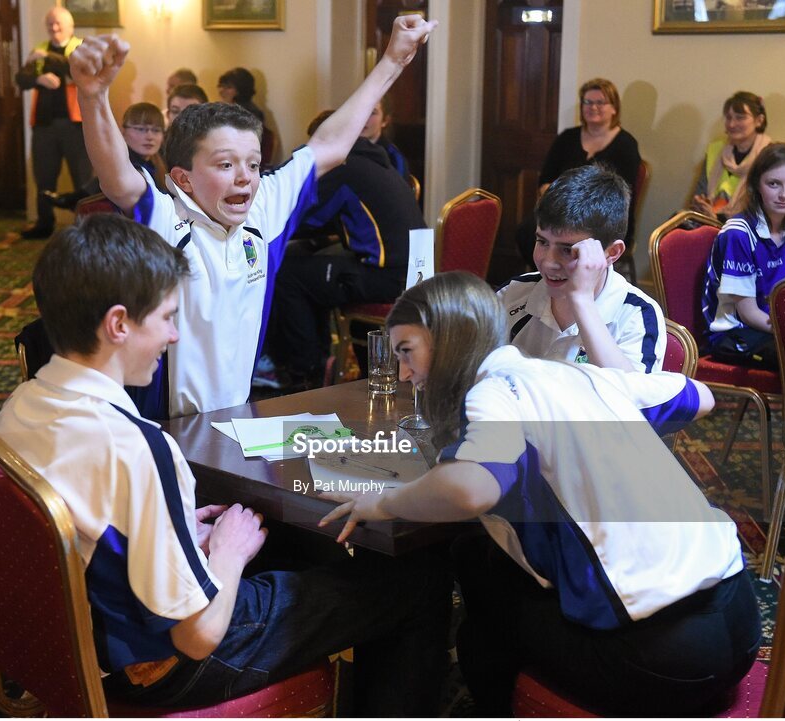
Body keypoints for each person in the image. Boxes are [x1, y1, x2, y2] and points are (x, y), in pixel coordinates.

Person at [0, 214, 451, 716]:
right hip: (162, 667)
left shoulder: (14, 410)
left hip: (74, 642)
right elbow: (199, 636)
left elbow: (84, 526)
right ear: (119, 324)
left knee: (301, 549)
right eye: (168, 317)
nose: (174, 336)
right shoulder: (139, 448)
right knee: (412, 582)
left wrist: (178, 531)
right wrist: (226, 555)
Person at [319, 271, 760, 717]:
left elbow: (472, 489)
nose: (403, 372)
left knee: (479, 586)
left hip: (664, 659)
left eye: (407, 352)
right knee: (502, 558)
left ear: (449, 342)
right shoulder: (579, 375)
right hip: (742, 621)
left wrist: (384, 501)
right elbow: (700, 396)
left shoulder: (493, 393)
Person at [70, 13, 438, 418]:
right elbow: (118, 177)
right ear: (183, 179)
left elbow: (329, 145)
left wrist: (393, 60)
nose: (245, 178)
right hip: (166, 423)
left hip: (235, 416)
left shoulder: (265, 209)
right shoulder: (165, 219)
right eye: (226, 165)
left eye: (253, 163)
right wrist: (93, 95)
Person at [262, 109, 426, 388]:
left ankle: (305, 369)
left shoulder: (344, 169)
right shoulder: (376, 160)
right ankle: (321, 357)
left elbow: (307, 216)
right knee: (306, 265)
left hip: (387, 277)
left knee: (288, 273)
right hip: (414, 270)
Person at [499, 165, 665, 372]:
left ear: (612, 253)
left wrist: (582, 300)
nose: (548, 262)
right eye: (542, 242)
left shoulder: (636, 315)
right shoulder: (512, 295)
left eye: (568, 250)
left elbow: (630, 396)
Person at [702, 142, 785, 369]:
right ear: (756, 185)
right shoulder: (739, 234)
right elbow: (748, 313)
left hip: (771, 326)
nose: (784, 194)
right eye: (773, 184)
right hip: (734, 334)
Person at [515, 78, 641, 268]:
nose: (593, 107)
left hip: (602, 218)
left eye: (600, 102)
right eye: (587, 102)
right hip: (560, 212)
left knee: (574, 239)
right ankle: (547, 277)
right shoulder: (567, 138)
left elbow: (621, 195)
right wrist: (556, 201)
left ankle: (573, 283)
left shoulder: (626, 145)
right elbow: (546, 180)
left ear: (614, 108)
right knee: (527, 230)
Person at [14, 5, 92, 239]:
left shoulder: (80, 46)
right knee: (44, 176)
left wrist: (47, 58)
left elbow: (75, 68)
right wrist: (39, 78)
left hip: (75, 125)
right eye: (50, 24)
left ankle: (87, 225)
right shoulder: (39, 49)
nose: (54, 28)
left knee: (83, 178)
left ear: (70, 26)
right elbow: (21, 79)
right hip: (44, 125)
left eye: (58, 24)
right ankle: (44, 223)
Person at [46, 102, 167, 210]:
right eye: (141, 129)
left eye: (156, 130)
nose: (150, 137)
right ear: (123, 131)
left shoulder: (162, 163)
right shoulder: (122, 163)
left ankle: (75, 197)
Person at [691, 91, 771, 222]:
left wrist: (718, 219)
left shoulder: (769, 157)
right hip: (706, 220)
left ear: (759, 120)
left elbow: (763, 210)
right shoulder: (715, 149)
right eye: (728, 118)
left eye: (740, 117)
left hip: (742, 229)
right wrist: (701, 205)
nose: (732, 124)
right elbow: (699, 194)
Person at [361, 97, 408, 178]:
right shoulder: (344, 150)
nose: (364, 118)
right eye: (360, 111)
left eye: (372, 112)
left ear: (385, 121)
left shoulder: (393, 157)